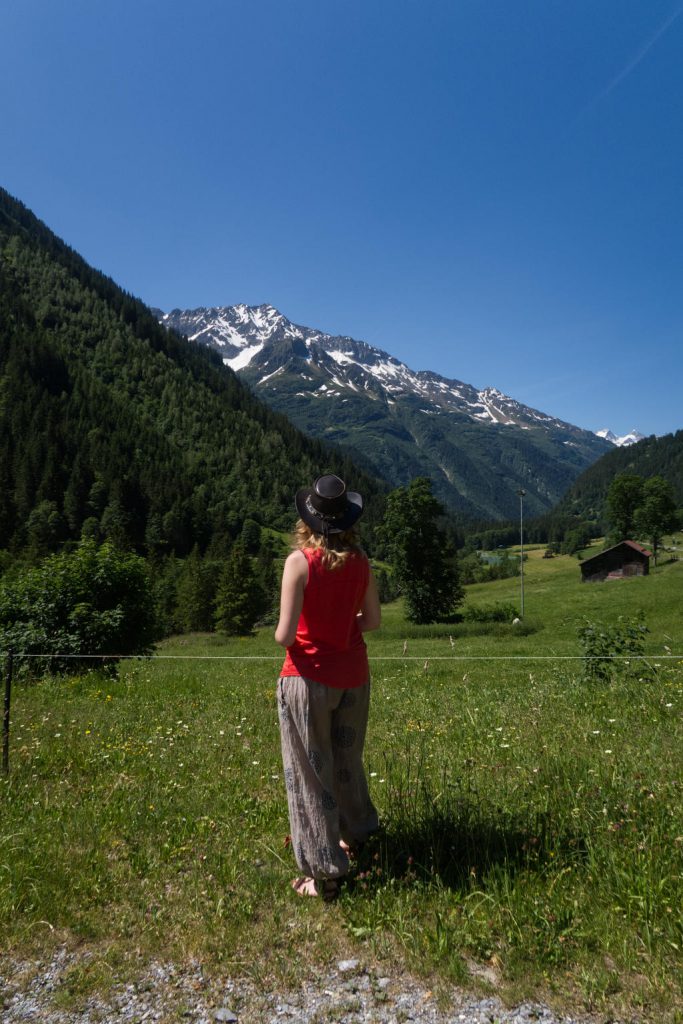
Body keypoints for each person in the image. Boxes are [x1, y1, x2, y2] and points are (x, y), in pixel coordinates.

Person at [274, 474, 381, 900]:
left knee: (308, 773)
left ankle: (325, 874)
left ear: (308, 519)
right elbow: (372, 621)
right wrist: (341, 626)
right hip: (354, 675)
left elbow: (284, 636)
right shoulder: (361, 561)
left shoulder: (298, 562)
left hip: (306, 679)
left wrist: (310, 626)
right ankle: (359, 838)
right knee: (346, 761)